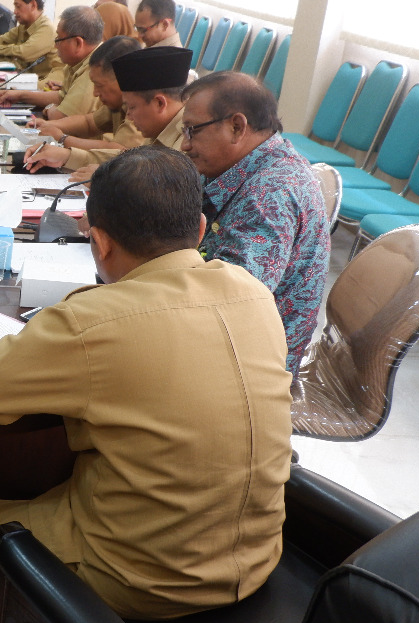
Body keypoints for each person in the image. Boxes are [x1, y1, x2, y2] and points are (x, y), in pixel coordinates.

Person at [0, 146, 293, 623]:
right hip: (257, 557)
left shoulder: (92, 320)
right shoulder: (253, 292)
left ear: (98, 244)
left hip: (147, 580)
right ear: (200, 230)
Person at [182, 71, 329, 375]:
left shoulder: (270, 195)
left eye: (192, 131)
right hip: (231, 341)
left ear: (237, 127)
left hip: (247, 367)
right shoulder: (259, 164)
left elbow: (233, 305)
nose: (185, 145)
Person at [24, 45, 190, 180]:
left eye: (132, 107)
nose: (129, 116)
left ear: (159, 103)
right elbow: (128, 158)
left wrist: (108, 180)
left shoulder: (188, 141)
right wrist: (66, 156)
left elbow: (156, 183)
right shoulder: (160, 127)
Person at [23, 37, 146, 173]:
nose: (95, 93)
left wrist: (63, 138)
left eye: (99, 86)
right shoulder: (120, 102)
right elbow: (89, 122)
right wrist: (51, 126)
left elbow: (121, 152)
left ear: (124, 80)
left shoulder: (142, 105)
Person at [0, 5, 103, 119]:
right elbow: (61, 97)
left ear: (78, 43)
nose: (55, 45)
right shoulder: (78, 63)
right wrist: (20, 95)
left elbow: (61, 116)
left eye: (58, 39)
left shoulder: (94, 68)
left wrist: (49, 107)